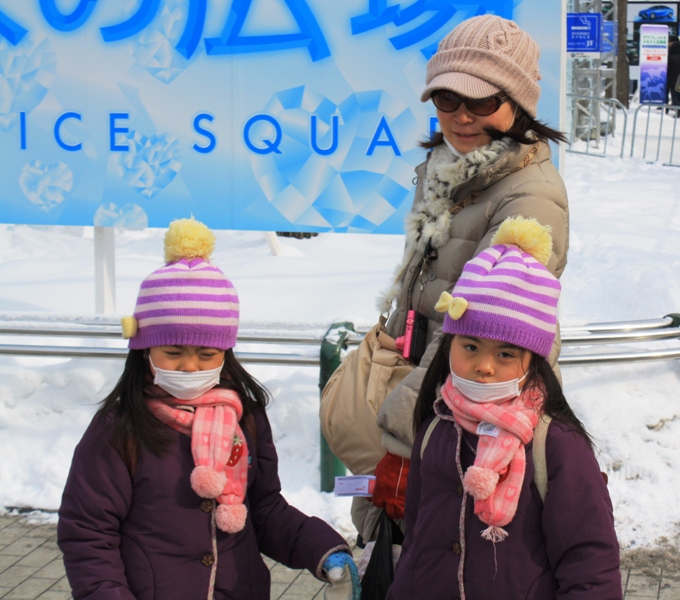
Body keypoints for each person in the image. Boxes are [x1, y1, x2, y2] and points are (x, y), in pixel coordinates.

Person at [57, 218, 361, 600]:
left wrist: (321, 547)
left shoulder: (244, 419)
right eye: (172, 353)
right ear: (144, 349)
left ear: (225, 352)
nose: (190, 367)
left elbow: (263, 508)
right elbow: (88, 534)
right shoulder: (120, 428)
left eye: (206, 355)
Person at [353, 14, 570, 543]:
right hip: (430, 392)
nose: (462, 117)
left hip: (476, 411)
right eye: (448, 99)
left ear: (518, 104)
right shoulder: (451, 169)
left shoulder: (529, 198)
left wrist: (403, 447)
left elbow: (479, 336)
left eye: (481, 102)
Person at [387, 216, 622, 599]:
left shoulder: (554, 443)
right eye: (470, 346)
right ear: (450, 343)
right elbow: (417, 540)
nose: (484, 365)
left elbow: (590, 561)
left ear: (534, 361)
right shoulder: (436, 427)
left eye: (506, 353)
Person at [666, 36, 680, 113]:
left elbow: (668, 68)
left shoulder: (670, 57)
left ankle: (678, 112)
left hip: (673, 80)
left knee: (675, 96)